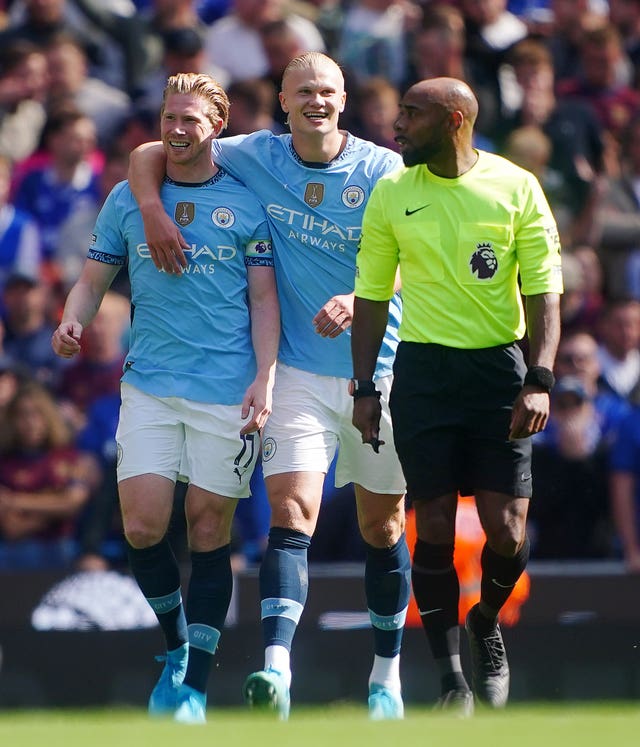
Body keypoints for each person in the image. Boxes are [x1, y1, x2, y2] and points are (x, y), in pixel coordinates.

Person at [128, 52, 411, 721]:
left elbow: (408, 257)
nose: (316, 100)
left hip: (378, 368)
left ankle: (386, 677)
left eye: (327, 91)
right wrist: (147, 206)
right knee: (291, 513)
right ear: (282, 101)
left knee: (384, 523)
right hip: (297, 372)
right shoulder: (255, 155)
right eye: (302, 90)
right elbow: (154, 148)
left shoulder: (381, 169)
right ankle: (276, 670)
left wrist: (360, 293)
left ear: (344, 99)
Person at [51, 72, 279, 724]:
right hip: (149, 385)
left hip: (226, 395)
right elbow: (92, 279)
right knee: (144, 527)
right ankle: (176, 648)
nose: (177, 131)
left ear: (217, 125)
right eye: (170, 119)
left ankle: (195, 689)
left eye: (192, 120)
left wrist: (264, 375)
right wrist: (74, 318)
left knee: (211, 532)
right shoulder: (128, 198)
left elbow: (264, 300)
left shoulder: (247, 203)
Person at [351, 77, 562, 715]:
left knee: (506, 529)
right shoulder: (391, 193)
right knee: (434, 523)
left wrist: (540, 377)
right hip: (424, 373)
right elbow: (371, 295)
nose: (397, 126)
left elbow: (544, 289)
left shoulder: (515, 186)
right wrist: (364, 388)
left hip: (499, 372)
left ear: (452, 120)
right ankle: (450, 681)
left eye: (411, 115)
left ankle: (486, 621)